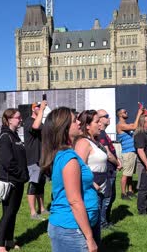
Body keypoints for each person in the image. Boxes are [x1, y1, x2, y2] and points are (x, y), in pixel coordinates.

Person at [41, 107, 99, 252]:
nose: (79, 122)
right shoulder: (68, 158)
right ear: (64, 128)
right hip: (71, 230)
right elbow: (74, 201)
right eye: (75, 121)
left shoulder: (68, 153)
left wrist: (90, 185)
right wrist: (89, 237)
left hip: (74, 227)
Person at [0, 108, 29, 252]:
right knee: (8, 213)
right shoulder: (5, 136)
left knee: (13, 212)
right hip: (10, 181)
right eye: (17, 117)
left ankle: (9, 240)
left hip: (18, 180)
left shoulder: (14, 136)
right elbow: (7, 162)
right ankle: (0, 246)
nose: (20, 119)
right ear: (9, 119)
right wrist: (21, 175)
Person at [75, 110, 107, 231]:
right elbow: (78, 167)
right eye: (97, 121)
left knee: (96, 229)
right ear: (87, 126)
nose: (100, 124)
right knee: (90, 230)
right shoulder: (83, 143)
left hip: (99, 188)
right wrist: (93, 185)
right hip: (91, 190)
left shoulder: (94, 141)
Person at [23, 101, 48, 220]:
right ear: (33, 109)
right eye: (38, 107)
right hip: (33, 158)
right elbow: (36, 126)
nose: (41, 108)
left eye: (41, 106)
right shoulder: (29, 121)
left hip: (41, 158)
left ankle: (42, 208)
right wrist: (42, 109)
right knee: (33, 184)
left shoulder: (40, 121)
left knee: (40, 184)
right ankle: (33, 212)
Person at [97, 109, 121, 229]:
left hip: (111, 169)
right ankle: (102, 223)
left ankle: (106, 220)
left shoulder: (104, 133)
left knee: (111, 197)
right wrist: (117, 163)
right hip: (108, 170)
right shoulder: (101, 134)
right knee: (106, 198)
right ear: (100, 119)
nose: (109, 118)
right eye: (106, 116)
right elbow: (107, 153)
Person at [116, 107, 143, 200]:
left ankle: (130, 191)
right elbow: (134, 127)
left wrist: (142, 115)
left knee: (130, 174)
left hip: (132, 152)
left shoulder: (126, 124)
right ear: (119, 114)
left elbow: (136, 124)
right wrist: (138, 114)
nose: (126, 113)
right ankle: (123, 194)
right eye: (124, 112)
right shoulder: (120, 125)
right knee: (126, 173)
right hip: (127, 153)